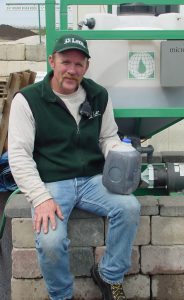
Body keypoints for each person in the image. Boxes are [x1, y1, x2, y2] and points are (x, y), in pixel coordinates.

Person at [8, 34, 140, 300]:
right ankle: (61, 295)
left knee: (129, 208)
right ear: (51, 62)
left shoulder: (98, 94)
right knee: (50, 241)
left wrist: (117, 153)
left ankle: (109, 275)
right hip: (52, 183)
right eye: (65, 62)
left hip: (93, 179)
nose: (72, 69)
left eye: (78, 64)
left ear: (86, 67)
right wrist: (40, 197)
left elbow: (107, 136)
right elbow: (19, 154)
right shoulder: (28, 100)